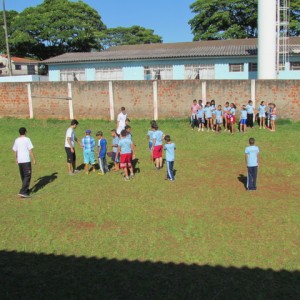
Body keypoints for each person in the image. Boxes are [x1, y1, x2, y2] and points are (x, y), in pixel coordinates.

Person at [12, 127, 36, 198]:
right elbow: (30, 150)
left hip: (20, 160)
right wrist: (34, 159)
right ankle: (22, 191)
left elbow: (15, 150)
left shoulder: (16, 140)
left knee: (23, 176)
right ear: (25, 132)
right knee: (27, 175)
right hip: (26, 160)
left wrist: (16, 159)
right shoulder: (27, 139)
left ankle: (26, 190)